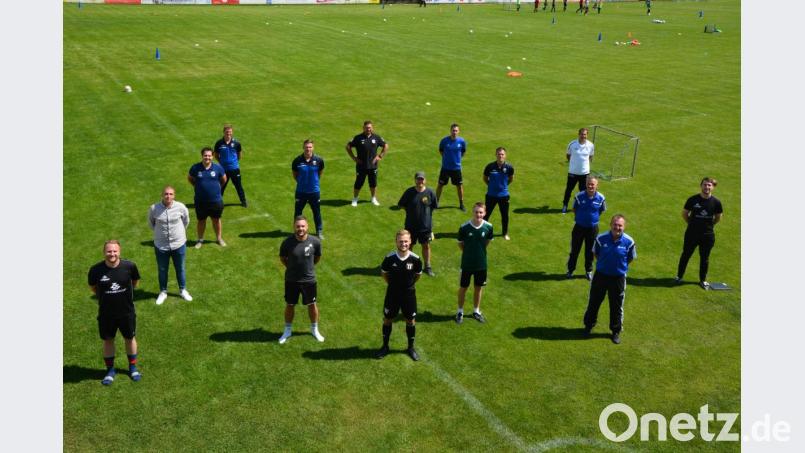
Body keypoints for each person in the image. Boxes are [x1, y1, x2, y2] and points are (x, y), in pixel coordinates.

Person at [87, 240, 142, 385]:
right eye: (109, 251)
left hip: (126, 312)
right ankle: (110, 370)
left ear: (120, 251)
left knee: (130, 338)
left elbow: (135, 282)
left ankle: (132, 367)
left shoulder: (129, 266)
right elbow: (93, 287)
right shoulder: (95, 270)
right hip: (106, 313)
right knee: (108, 340)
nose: (112, 254)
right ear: (104, 252)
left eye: (115, 251)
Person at [583, 215, 636, 344]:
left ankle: (615, 331)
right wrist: (605, 265)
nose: (617, 227)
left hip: (618, 278)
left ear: (624, 227)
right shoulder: (601, 238)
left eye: (620, 225)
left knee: (616, 305)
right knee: (594, 301)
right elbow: (596, 253)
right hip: (601, 276)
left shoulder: (629, 242)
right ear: (610, 225)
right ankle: (588, 326)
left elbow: (630, 258)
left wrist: (619, 268)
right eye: (615, 224)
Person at [376, 230, 423, 361]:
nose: (403, 244)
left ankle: (410, 347)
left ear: (410, 242)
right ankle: (385, 347)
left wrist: (409, 284)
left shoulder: (416, 259)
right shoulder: (389, 258)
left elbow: (418, 275)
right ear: (396, 242)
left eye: (406, 241)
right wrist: (392, 285)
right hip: (392, 294)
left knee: (410, 320)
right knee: (388, 319)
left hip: (409, 295)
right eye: (401, 241)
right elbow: (384, 273)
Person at [278, 216, 324, 344]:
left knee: (312, 305)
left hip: (309, 280)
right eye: (298, 226)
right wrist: (291, 267)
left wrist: (308, 268)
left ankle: (314, 329)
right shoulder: (287, 242)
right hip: (291, 280)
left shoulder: (315, 242)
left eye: (303, 226)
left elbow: (317, 258)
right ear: (294, 227)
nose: (300, 229)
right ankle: (287, 330)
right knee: (290, 304)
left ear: (307, 226)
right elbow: (282, 258)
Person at [675, 177, 723, 290]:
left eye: (709, 185)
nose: (707, 187)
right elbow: (685, 214)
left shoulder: (716, 202)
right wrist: (691, 224)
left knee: (705, 258)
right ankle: (679, 277)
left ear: (713, 187)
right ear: (701, 186)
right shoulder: (692, 199)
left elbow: (718, 217)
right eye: (705, 185)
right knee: (686, 255)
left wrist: (710, 226)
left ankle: (703, 280)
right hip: (692, 234)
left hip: (707, 235)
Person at [148, 185, 193, 305]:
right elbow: (151, 224)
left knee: (180, 268)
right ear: (162, 195)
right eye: (166, 194)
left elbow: (186, 221)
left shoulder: (181, 207)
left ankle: (183, 290)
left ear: (174, 195)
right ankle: (163, 292)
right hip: (161, 246)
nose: (168, 196)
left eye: (171, 194)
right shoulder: (154, 208)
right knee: (162, 270)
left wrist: (178, 233)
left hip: (178, 244)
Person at [456, 203, 494, 324]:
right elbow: (460, 244)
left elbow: (487, 242)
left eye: (480, 212)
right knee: (463, 288)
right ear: (473, 212)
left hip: (481, 264)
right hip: (466, 264)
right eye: (476, 212)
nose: (478, 214)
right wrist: (468, 252)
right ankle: (460, 311)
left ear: (485, 213)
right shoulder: (464, 227)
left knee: (478, 288)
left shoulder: (489, 227)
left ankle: (476, 311)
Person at [398, 172, 438, 277]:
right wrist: (410, 211)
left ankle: (427, 266)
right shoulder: (409, 192)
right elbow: (401, 204)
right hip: (411, 226)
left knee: (426, 246)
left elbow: (433, 206)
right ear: (415, 180)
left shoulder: (430, 193)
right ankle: (408, 266)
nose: (420, 181)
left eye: (422, 179)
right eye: (418, 179)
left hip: (425, 227)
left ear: (425, 180)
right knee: (409, 246)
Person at [567, 176, 606, 281]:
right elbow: (574, 209)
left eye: (592, 184)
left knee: (590, 251)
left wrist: (592, 219)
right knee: (575, 250)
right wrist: (581, 219)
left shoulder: (601, 198)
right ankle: (570, 270)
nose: (590, 186)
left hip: (592, 229)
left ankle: (588, 271)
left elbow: (601, 210)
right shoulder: (579, 196)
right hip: (579, 227)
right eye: (588, 184)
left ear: (597, 186)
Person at [188, 147, 227, 248]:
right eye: (205, 155)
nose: (207, 157)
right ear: (202, 156)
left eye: (209, 156)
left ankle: (219, 238)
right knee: (201, 221)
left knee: (216, 220)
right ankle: (200, 240)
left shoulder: (218, 168)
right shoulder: (195, 168)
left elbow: (224, 179)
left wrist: (216, 188)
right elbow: (190, 178)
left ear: (212, 156)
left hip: (216, 201)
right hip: (200, 201)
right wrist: (197, 186)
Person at [346, 120, 388, 207]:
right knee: (359, 182)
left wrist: (380, 156)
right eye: (366, 128)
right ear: (363, 128)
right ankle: (355, 199)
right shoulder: (358, 138)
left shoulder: (376, 137)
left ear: (372, 128)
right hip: (361, 165)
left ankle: (373, 198)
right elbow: (348, 146)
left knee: (373, 183)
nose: (368, 129)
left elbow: (385, 145)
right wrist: (354, 158)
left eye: (369, 127)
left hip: (373, 166)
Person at [292, 139, 325, 239]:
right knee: (298, 213)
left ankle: (319, 231)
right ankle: (296, 231)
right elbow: (295, 175)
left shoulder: (319, 160)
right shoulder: (297, 160)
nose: (308, 149)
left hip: (314, 191)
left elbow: (320, 173)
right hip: (301, 191)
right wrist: (302, 182)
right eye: (306, 147)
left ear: (313, 148)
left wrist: (314, 182)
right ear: (303, 148)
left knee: (316, 212)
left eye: (310, 147)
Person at [483, 147, 515, 241]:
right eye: (498, 154)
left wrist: (504, 186)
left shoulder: (509, 167)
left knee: (505, 216)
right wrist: (491, 185)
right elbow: (485, 178)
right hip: (491, 195)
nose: (500, 156)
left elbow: (511, 179)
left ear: (505, 155)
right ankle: (485, 232)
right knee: (486, 215)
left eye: (502, 154)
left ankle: (505, 233)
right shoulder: (490, 166)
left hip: (504, 196)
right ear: (495, 155)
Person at [214, 124, 247, 207]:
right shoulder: (219, 143)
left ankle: (243, 201)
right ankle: (218, 202)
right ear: (224, 132)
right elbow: (216, 155)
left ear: (232, 132)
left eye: (230, 132)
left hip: (234, 169)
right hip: (223, 170)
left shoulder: (236, 143)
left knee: (238, 186)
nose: (228, 133)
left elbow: (239, 154)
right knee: (221, 186)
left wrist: (234, 162)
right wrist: (221, 162)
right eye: (227, 132)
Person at [435, 123, 467, 211]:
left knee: (459, 186)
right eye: (453, 130)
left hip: (456, 169)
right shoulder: (444, 141)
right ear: (450, 131)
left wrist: (456, 160)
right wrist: (447, 159)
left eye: (456, 131)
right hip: (445, 168)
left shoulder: (462, 142)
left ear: (459, 131)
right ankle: (436, 202)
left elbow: (463, 152)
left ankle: (461, 204)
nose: (454, 132)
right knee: (440, 185)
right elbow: (441, 151)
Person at [563, 127, 595, 213]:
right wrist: (574, 164)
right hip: (573, 172)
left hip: (584, 173)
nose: (583, 136)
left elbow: (590, 157)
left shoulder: (591, 145)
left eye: (585, 134)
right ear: (578, 134)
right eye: (581, 134)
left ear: (587, 135)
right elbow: (568, 155)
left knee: (583, 192)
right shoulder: (572, 144)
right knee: (569, 189)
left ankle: (582, 206)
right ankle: (565, 205)